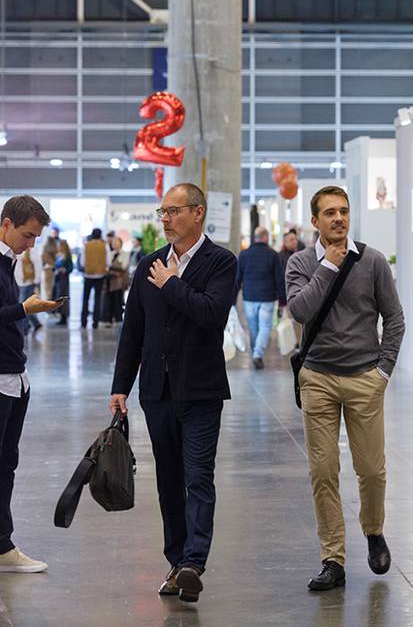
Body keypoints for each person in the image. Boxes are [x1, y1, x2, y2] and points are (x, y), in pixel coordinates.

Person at [110, 183, 237, 604]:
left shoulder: (221, 262)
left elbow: (211, 314)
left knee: (198, 476)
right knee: (169, 480)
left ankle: (193, 563)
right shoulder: (149, 264)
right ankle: (176, 560)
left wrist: (172, 285)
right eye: (162, 212)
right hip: (157, 393)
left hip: (201, 391)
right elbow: (133, 333)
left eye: (173, 211)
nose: (164, 219)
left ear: (197, 213)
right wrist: (120, 387)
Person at [285, 187, 404, 593]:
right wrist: (329, 268)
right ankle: (332, 558)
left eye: (344, 212)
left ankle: (373, 530)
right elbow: (300, 311)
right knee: (323, 471)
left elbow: (395, 318)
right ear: (314, 221)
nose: (338, 218)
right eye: (329, 213)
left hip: (363, 379)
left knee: (371, 469)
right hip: (317, 378)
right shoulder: (301, 262)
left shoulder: (371, 261)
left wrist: (383, 372)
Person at [0, 195, 61, 572]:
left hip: (13, 374)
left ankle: (2, 546)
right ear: (6, 224)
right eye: (27, 235)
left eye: (36, 237)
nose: (31, 244)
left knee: (7, 463)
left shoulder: (9, 262)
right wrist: (25, 309)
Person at [237, 228, 286, 369]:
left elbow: (237, 278)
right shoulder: (272, 255)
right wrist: (283, 300)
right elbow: (279, 279)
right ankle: (257, 355)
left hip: (249, 297)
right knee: (265, 327)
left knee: (253, 328)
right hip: (267, 297)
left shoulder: (244, 254)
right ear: (265, 237)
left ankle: (255, 353)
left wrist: (232, 300)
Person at [79, 227, 111, 329]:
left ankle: (83, 322)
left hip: (88, 275)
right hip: (100, 275)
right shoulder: (104, 246)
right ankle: (95, 323)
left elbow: (82, 262)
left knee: (85, 299)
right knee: (97, 299)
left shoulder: (86, 246)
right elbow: (108, 262)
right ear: (100, 235)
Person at [103, 237, 130, 325]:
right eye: (113, 242)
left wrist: (112, 267)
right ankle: (109, 319)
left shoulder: (125, 254)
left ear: (121, 243)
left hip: (120, 281)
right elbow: (106, 266)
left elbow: (123, 266)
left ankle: (118, 319)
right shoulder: (110, 254)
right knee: (109, 300)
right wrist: (114, 268)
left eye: (116, 242)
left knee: (118, 300)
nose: (114, 244)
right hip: (110, 280)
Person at [14, 251, 40, 338]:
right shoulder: (14, 250)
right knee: (22, 305)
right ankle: (36, 323)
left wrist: (37, 280)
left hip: (28, 282)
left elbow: (38, 264)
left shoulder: (31, 251)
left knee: (23, 306)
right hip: (17, 282)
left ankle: (23, 330)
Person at [40, 227, 69, 301]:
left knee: (60, 290)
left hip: (61, 270)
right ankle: (50, 308)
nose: (54, 234)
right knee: (50, 290)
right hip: (50, 269)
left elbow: (67, 255)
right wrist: (53, 264)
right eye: (53, 232)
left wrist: (63, 266)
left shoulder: (63, 242)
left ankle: (60, 309)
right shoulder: (47, 244)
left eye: (55, 232)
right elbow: (45, 256)